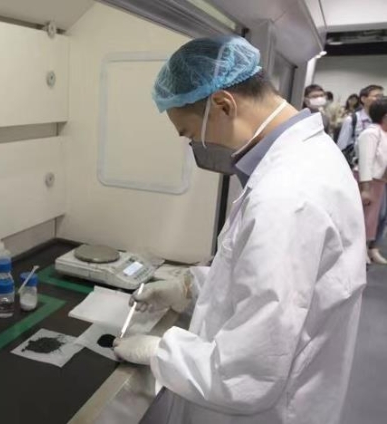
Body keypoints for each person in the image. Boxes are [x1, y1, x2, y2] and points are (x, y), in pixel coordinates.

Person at [113, 35, 366, 424]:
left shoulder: (285, 198)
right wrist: (188, 288)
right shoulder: (309, 158)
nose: (196, 145)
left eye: (189, 133)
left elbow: (247, 373)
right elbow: (265, 284)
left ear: (223, 104)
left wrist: (159, 351)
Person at [357, 98, 387, 264]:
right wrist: (366, 188)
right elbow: (365, 162)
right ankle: (358, 252)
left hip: (380, 182)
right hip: (367, 181)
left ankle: (367, 249)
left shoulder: (384, 134)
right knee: (363, 218)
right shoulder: (370, 133)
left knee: (375, 219)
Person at [337, 85, 384, 151]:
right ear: (363, 99)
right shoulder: (352, 120)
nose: (381, 99)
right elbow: (342, 146)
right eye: (377, 96)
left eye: (382, 97)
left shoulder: (383, 120)